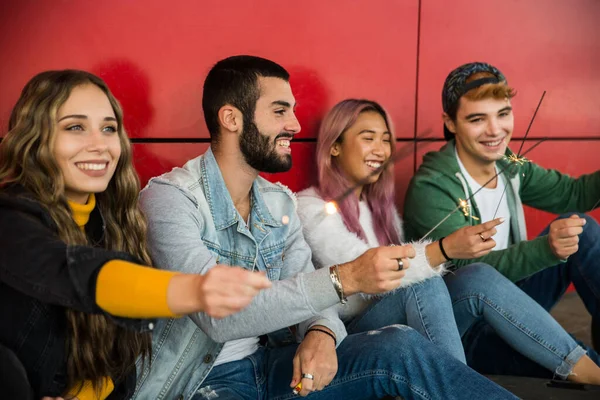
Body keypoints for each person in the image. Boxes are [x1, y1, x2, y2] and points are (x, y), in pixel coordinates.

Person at [132, 55, 517, 400]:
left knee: (399, 345)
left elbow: (306, 289)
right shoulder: (170, 200)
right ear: (232, 118)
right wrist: (346, 278)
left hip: (273, 364)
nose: (296, 124)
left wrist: (321, 332)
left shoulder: (279, 201)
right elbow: (218, 317)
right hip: (201, 381)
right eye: (280, 111)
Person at [0, 70, 271, 399]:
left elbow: (116, 366)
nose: (99, 145)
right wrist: (197, 289)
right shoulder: (10, 218)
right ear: (34, 138)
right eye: (75, 127)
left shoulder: (111, 219)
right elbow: (71, 271)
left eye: (108, 128)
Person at [298, 97, 600, 385]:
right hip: (351, 334)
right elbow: (370, 273)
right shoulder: (312, 208)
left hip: (418, 318)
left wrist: (446, 254)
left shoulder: (382, 208)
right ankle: (462, 386)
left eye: (386, 139)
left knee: (479, 273)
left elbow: (574, 193)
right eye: (368, 138)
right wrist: (445, 249)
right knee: (438, 283)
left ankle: (584, 368)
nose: (381, 149)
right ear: (335, 146)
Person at [404, 61, 600, 381]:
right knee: (575, 361)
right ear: (450, 123)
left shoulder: (508, 164)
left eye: (503, 114)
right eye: (477, 119)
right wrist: (547, 251)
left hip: (514, 298)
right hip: (466, 327)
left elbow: (575, 194)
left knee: (582, 228)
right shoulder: (432, 187)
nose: (495, 131)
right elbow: (475, 279)